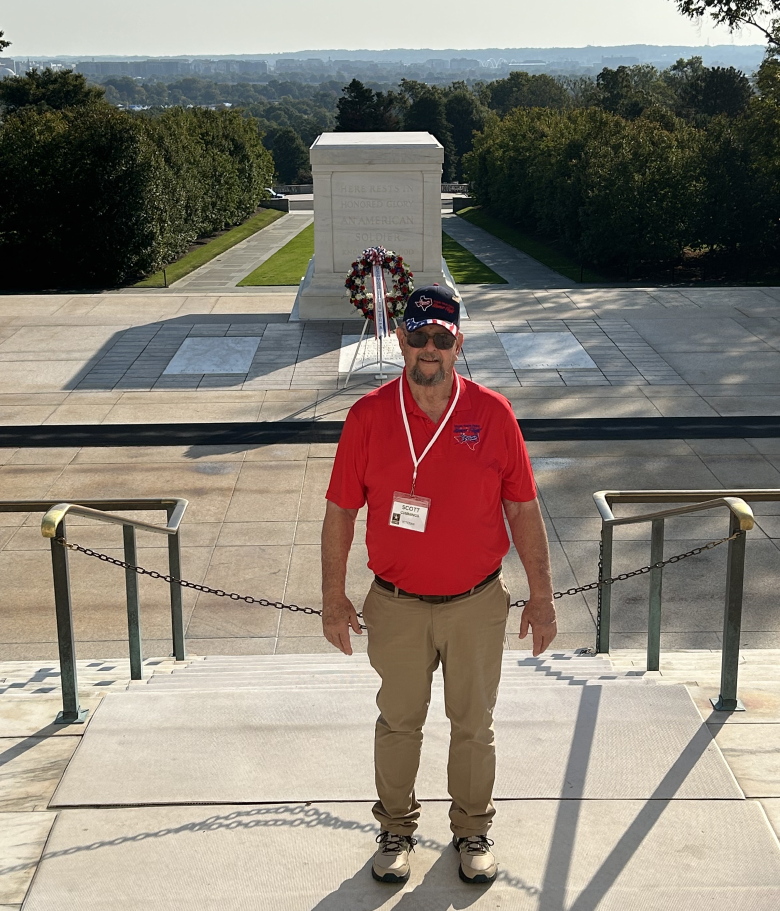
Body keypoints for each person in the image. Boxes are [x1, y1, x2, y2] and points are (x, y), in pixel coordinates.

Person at [321, 284, 556, 885]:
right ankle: (396, 830)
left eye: (442, 339)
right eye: (419, 337)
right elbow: (341, 511)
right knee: (398, 724)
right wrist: (333, 597)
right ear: (400, 341)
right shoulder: (369, 416)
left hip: (476, 603)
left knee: (473, 726)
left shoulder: (493, 414)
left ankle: (472, 829)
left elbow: (524, 508)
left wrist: (543, 594)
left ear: (458, 344)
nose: (430, 349)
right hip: (396, 605)